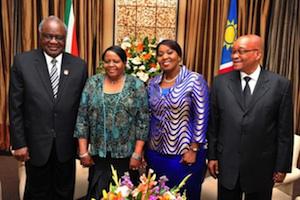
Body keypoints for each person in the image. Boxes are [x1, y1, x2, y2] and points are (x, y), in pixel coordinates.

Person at [9, 16, 88, 199]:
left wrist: (83, 144)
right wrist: (19, 143)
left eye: (58, 37)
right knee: (37, 192)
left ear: (65, 38)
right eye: (48, 36)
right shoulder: (23, 62)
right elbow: (15, 106)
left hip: (66, 145)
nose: (53, 41)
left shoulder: (79, 65)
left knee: (64, 192)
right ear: (40, 36)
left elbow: (83, 109)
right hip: (35, 145)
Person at [207, 34, 293, 200]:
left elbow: (284, 131)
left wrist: (282, 166)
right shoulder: (220, 83)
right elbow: (214, 125)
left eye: (241, 51)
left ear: (257, 54)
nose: (234, 56)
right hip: (228, 163)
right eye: (233, 52)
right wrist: (212, 156)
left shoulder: (280, 85)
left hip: (262, 166)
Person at [74, 46, 149, 199]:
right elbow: (82, 118)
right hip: (98, 156)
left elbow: (143, 121)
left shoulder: (136, 86)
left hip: (126, 157)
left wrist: (137, 153)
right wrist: (83, 151)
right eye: (107, 61)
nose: (111, 65)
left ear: (124, 63)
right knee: (97, 194)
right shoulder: (93, 83)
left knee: (125, 194)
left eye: (116, 61)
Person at [146, 39, 209, 200]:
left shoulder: (194, 79)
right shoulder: (153, 83)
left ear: (179, 56)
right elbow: (148, 115)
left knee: (183, 195)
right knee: (156, 195)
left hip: (184, 153)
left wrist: (194, 148)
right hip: (155, 153)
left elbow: (202, 115)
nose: (164, 57)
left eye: (169, 52)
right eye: (160, 54)